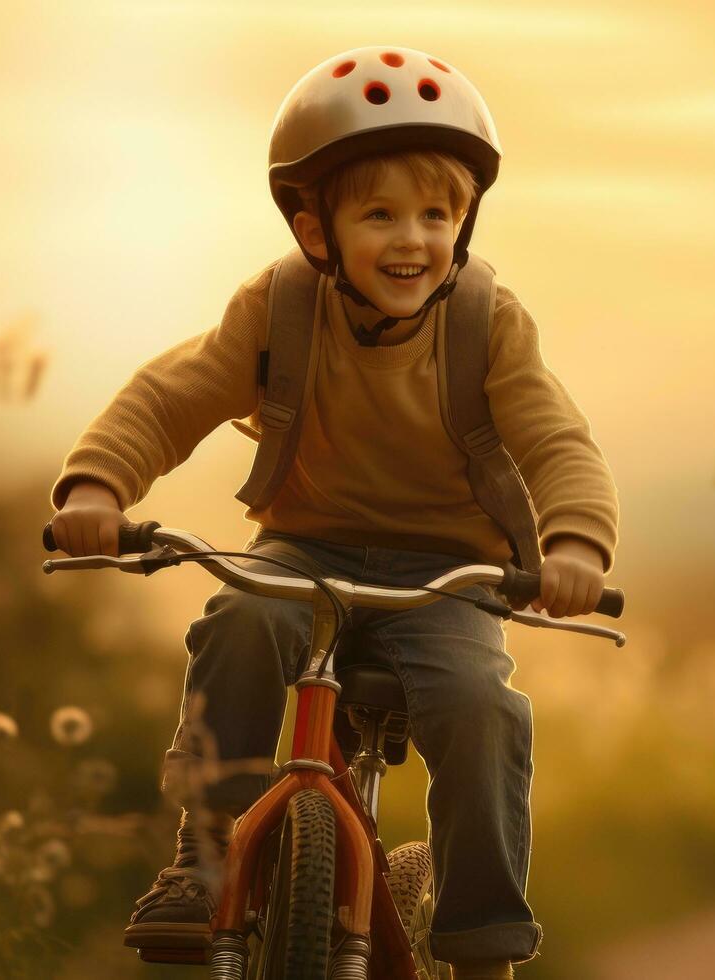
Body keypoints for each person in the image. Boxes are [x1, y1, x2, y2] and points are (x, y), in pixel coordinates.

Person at [47, 47, 617, 980]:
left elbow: (558, 440)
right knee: (240, 617)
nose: (413, 238)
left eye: (437, 213)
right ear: (317, 231)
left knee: (481, 710)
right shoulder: (281, 307)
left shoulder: (486, 321)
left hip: (448, 577)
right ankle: (206, 854)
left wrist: (575, 543)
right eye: (380, 213)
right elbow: (172, 397)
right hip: (301, 550)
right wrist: (97, 489)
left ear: (464, 225)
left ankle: (483, 945)